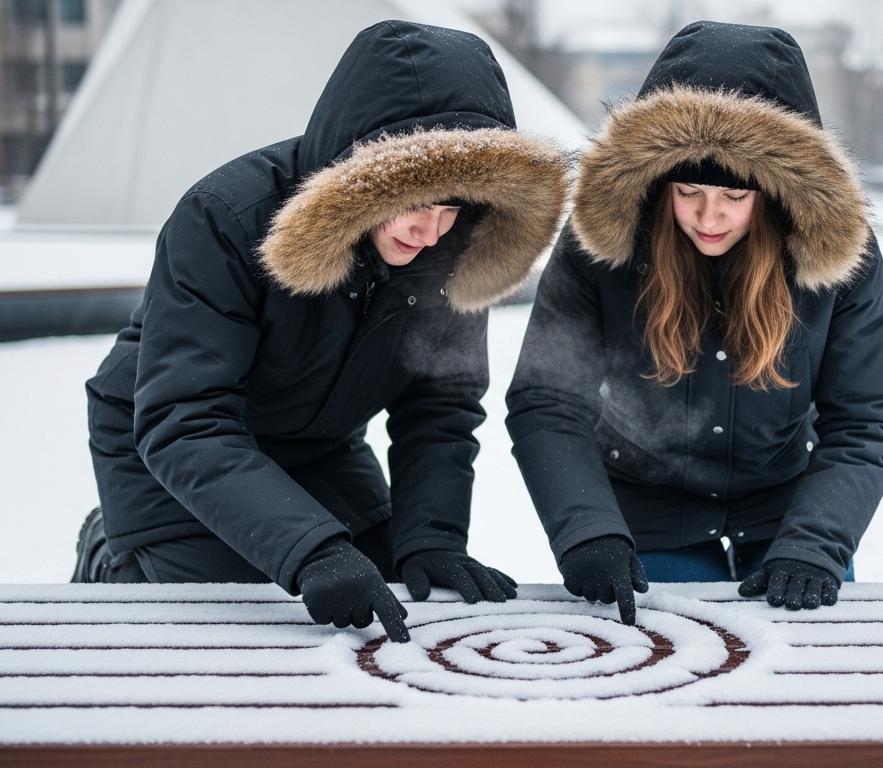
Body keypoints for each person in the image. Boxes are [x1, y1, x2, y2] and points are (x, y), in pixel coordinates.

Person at [74, 21, 569, 643]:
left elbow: (439, 405)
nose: (429, 232)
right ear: (363, 176)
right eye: (414, 203)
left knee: (396, 584)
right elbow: (185, 416)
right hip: (166, 449)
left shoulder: (454, 246)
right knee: (250, 615)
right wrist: (311, 550)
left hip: (318, 447)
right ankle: (110, 552)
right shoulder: (225, 218)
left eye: (451, 208)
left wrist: (431, 539)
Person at [506, 22, 883, 625]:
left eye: (735, 198)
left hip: (785, 509)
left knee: (803, 650)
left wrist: (815, 543)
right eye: (688, 190)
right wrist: (588, 529)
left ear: (774, 192)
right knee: (669, 645)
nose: (708, 216)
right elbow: (547, 400)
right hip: (646, 504)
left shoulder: (838, 258)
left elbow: (866, 417)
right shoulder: (602, 248)